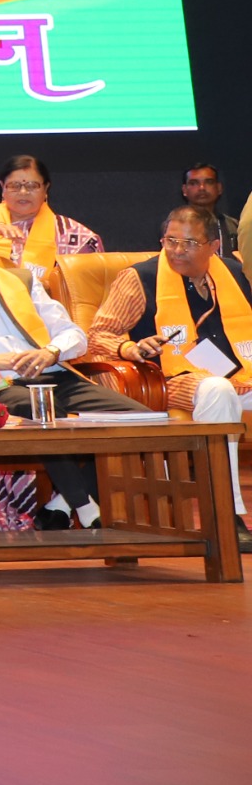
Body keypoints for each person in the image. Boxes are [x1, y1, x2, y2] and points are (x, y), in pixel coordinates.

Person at [0, 214, 151, 529]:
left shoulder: (22, 281)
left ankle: (61, 504)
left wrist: (50, 352)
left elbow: (74, 335)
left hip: (53, 375)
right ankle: (87, 509)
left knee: (141, 421)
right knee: (43, 412)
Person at [86, 206, 252, 546]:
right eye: (171, 240)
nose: (177, 250)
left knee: (223, 386)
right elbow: (99, 335)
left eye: (189, 242)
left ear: (214, 245)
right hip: (170, 378)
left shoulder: (233, 272)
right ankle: (225, 512)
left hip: (241, 371)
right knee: (218, 391)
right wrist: (130, 349)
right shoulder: (140, 278)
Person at [0, 154, 102, 273]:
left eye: (32, 186)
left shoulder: (74, 234)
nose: (23, 192)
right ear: (2, 187)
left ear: (46, 188)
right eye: (14, 186)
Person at [179, 163, 239, 257]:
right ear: (184, 190)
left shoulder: (233, 226)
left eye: (209, 182)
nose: (201, 188)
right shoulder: (173, 226)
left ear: (219, 188)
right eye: (194, 183)